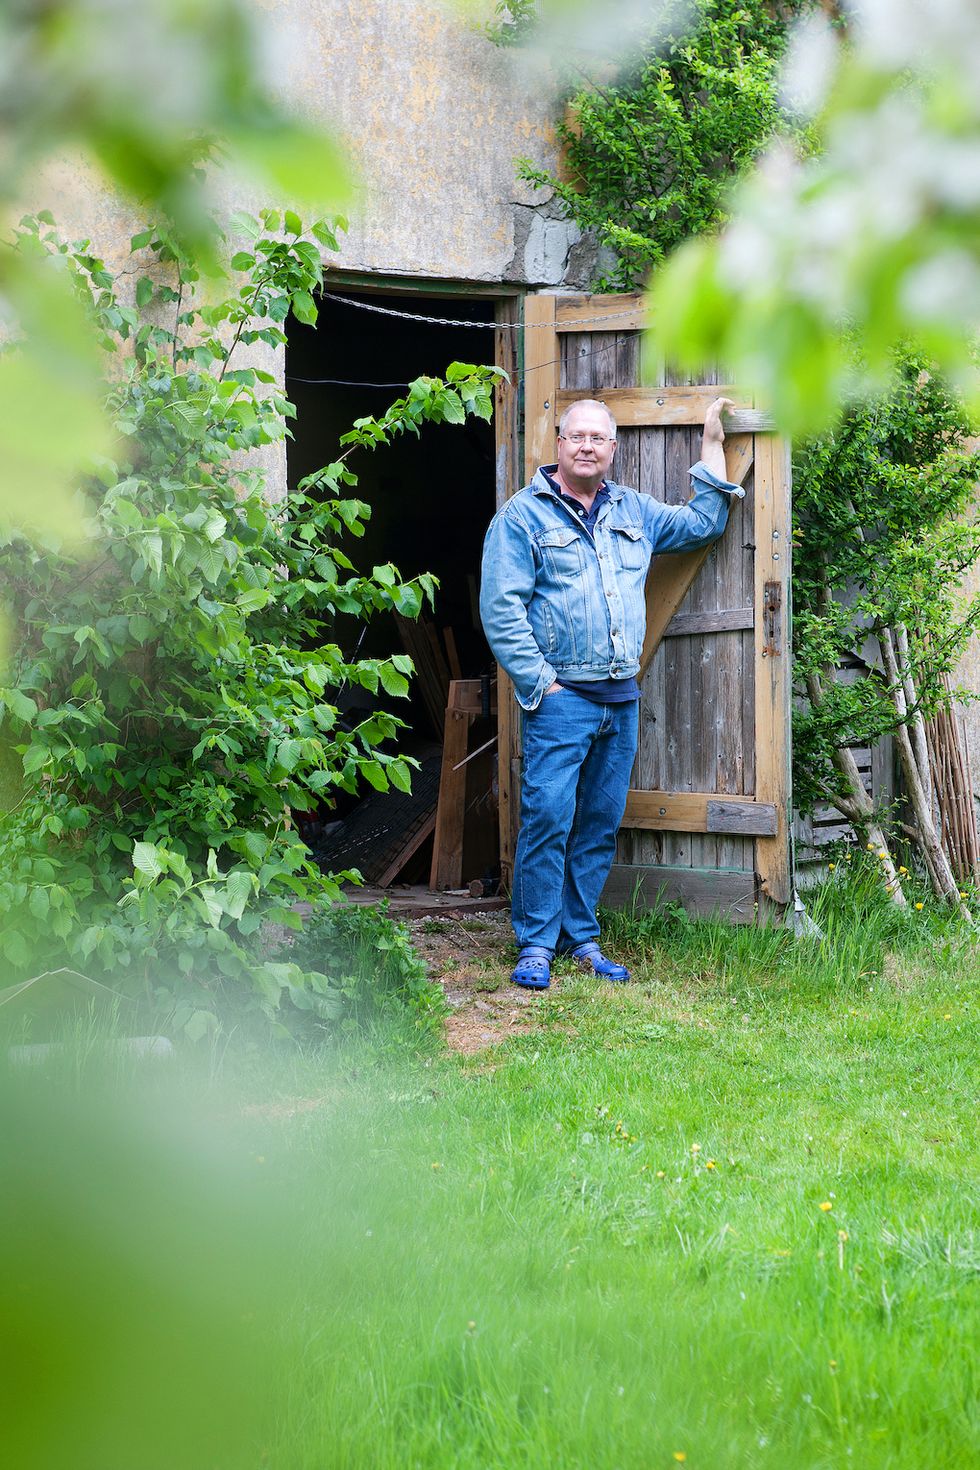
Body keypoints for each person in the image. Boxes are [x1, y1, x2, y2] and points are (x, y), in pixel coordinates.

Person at [480, 395, 742, 990]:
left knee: (598, 821)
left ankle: (582, 937)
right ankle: (536, 944)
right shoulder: (522, 518)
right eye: (578, 437)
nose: (588, 446)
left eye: (599, 438)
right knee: (548, 818)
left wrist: (712, 446)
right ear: (559, 443)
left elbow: (704, 522)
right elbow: (501, 610)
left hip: (620, 699)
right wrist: (541, 686)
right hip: (560, 699)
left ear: (614, 448)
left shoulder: (634, 510)